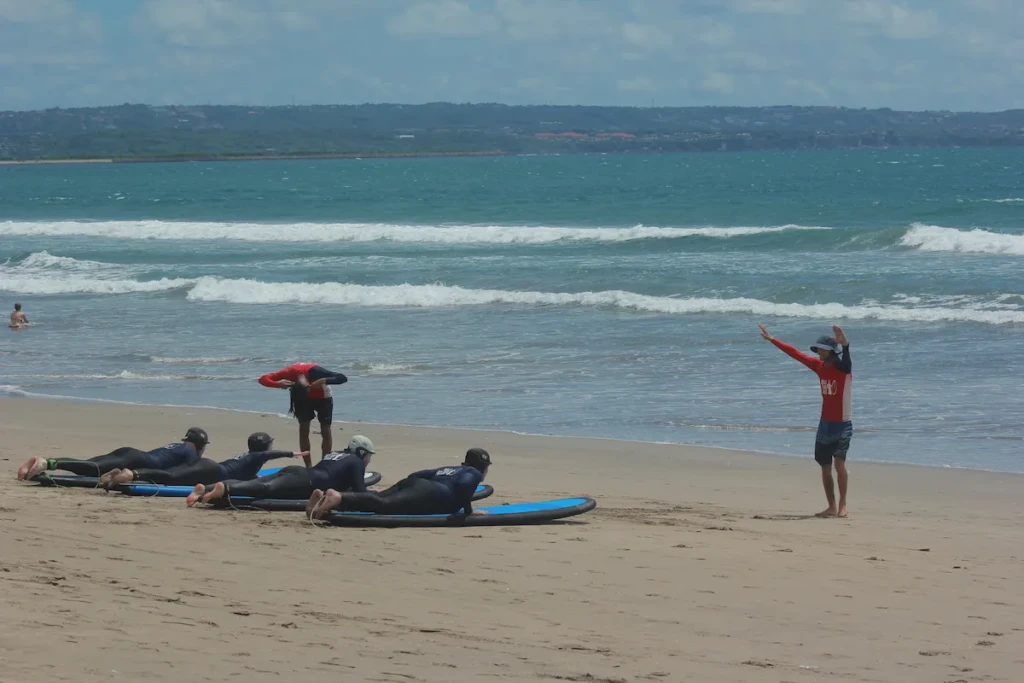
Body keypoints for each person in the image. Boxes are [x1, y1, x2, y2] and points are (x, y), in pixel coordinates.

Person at [759, 323, 852, 518]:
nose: (818, 352)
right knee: (825, 466)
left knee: (839, 464)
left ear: (831, 351)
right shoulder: (819, 366)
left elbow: (847, 363)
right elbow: (795, 354)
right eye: (817, 349)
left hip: (842, 424)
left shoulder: (843, 370)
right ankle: (831, 506)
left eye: (821, 350)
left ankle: (843, 505)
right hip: (824, 424)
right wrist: (772, 339)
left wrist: (845, 346)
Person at [187, 434, 375, 507]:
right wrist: (372, 492)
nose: (368, 460)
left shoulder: (335, 454)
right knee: (266, 488)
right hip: (306, 483)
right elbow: (359, 491)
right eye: (368, 455)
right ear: (362, 452)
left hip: (299, 472)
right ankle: (226, 489)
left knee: (258, 482)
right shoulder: (356, 462)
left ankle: (205, 488)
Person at [306, 447, 491, 520]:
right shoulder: (473, 473)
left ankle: (325, 499)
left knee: (377, 499)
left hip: (414, 484)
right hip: (428, 492)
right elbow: (465, 485)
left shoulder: (450, 468)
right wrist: (468, 510)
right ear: (483, 468)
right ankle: (338, 497)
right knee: (384, 505)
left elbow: (416, 474)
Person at [98, 432, 309, 489]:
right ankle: (129, 474)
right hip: (213, 472)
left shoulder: (247, 456)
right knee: (171, 478)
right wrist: (291, 454)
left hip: (211, 467)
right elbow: (267, 455)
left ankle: (128, 474)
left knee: (172, 475)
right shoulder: (257, 456)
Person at [16, 427, 210, 481]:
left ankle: (40, 463)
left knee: (87, 465)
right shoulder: (190, 452)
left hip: (131, 453)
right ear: (200, 445)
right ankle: (46, 463)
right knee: (94, 469)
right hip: (136, 460)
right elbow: (186, 472)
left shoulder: (178, 446)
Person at [258, 362, 349, 465]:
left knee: (325, 429)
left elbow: (342, 378)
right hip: (300, 399)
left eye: (308, 389)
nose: (309, 391)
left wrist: (322, 381)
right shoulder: (288, 373)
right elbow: (263, 379)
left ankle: (325, 463)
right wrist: (278, 384)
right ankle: (308, 466)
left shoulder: (316, 371)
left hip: (323, 397)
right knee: (304, 430)